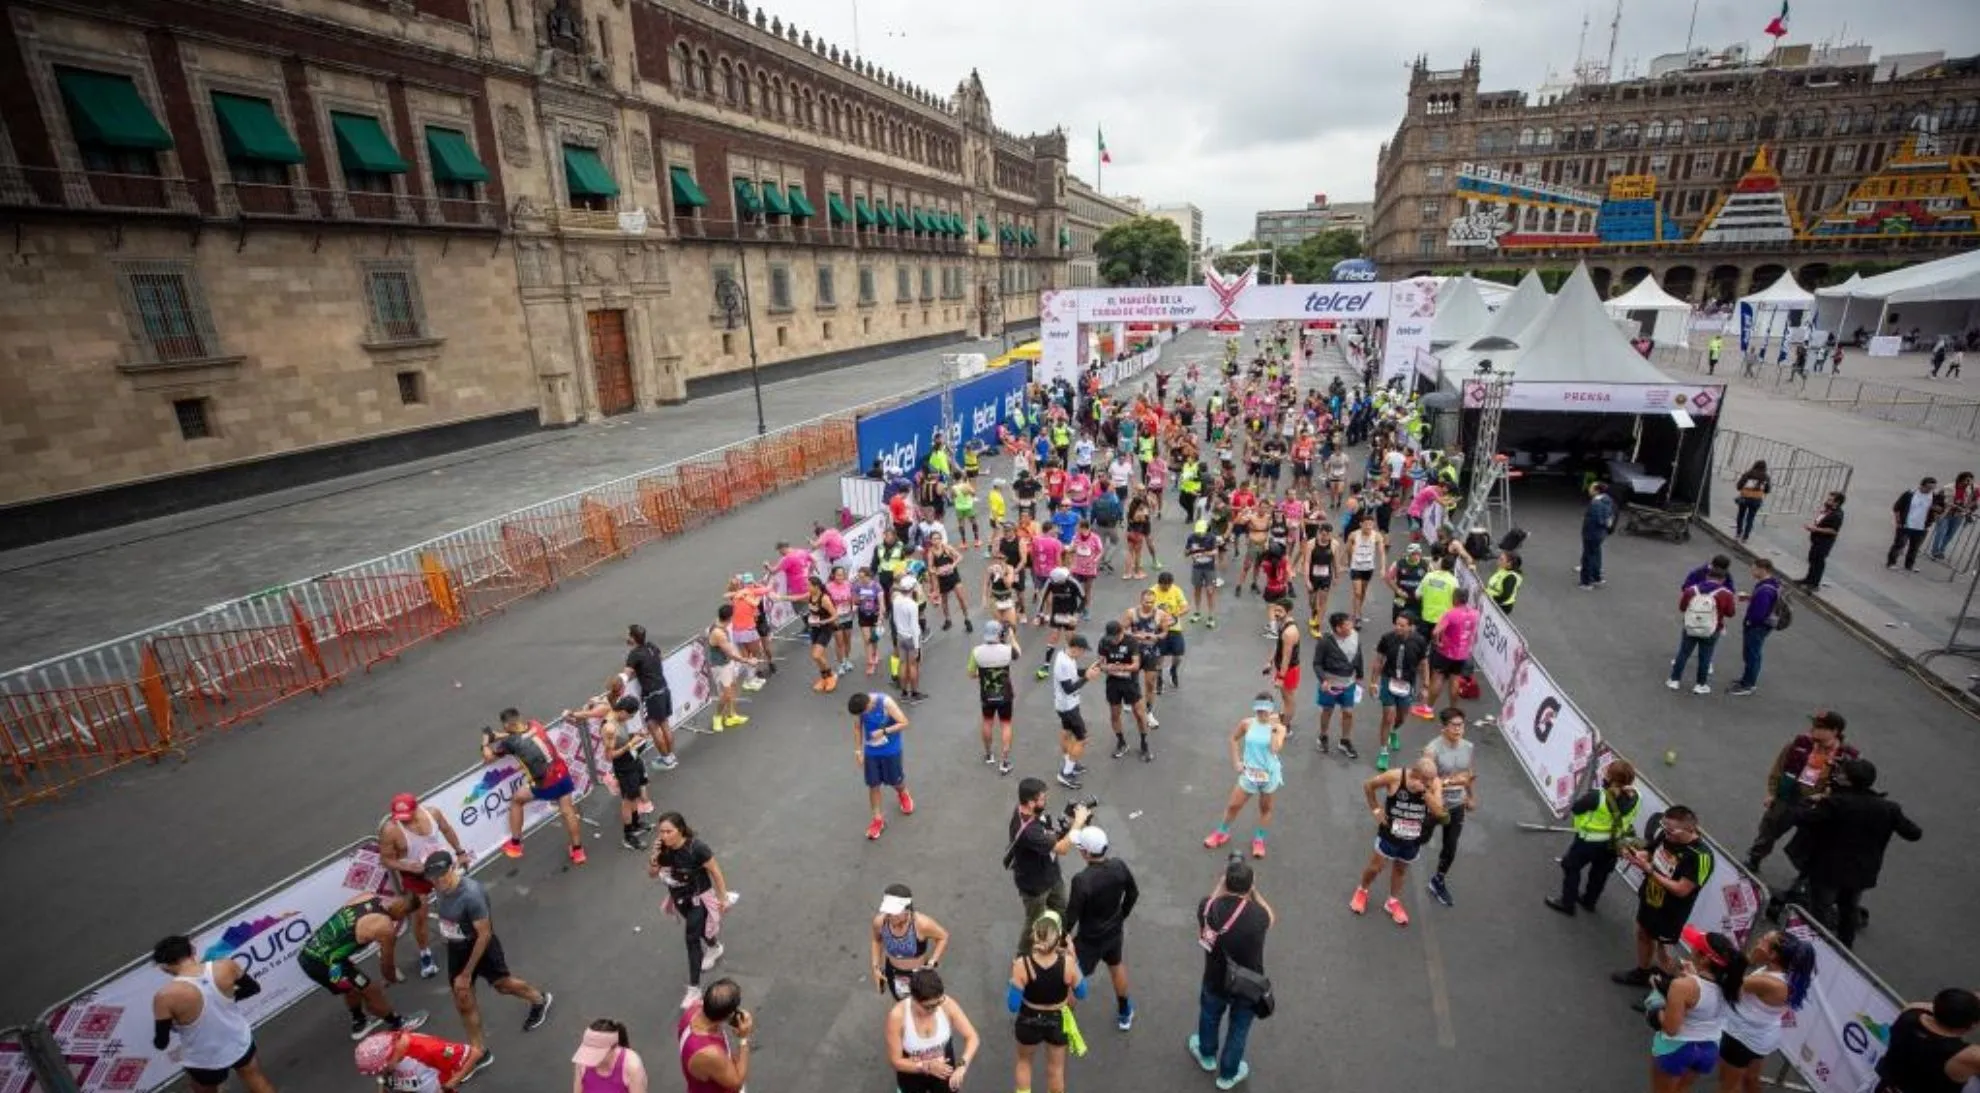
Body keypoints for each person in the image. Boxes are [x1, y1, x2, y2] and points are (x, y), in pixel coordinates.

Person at [424, 850, 551, 1056]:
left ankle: (539, 1000)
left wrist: (466, 974)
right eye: (433, 880)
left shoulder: (471, 895)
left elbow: (484, 934)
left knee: (503, 985)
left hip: (481, 948)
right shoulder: (440, 888)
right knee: (463, 999)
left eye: (441, 877)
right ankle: (478, 1052)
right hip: (457, 948)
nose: (438, 883)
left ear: (452, 869)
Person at [1792, 757, 1922, 947]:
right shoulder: (1889, 808)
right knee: (1849, 909)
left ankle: (1815, 945)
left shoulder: (1836, 803)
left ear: (1848, 779)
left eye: (1841, 773)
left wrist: (1808, 801)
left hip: (1828, 869)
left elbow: (1803, 818)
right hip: (1862, 871)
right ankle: (1845, 946)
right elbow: (1914, 833)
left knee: (1820, 909)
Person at [150, 934, 274, 1093]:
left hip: (204, 1059)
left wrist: (176, 1023)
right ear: (193, 951)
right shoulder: (226, 966)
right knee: (256, 1080)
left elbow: (161, 1043)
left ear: (164, 967)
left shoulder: (165, 997)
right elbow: (253, 988)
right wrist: (226, 999)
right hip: (239, 1041)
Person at [1191, 859, 1274, 1091]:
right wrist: (1254, 892)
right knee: (1238, 1029)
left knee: (1209, 1016)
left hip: (1215, 979)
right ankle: (1228, 1074)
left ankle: (1206, 1055)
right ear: (1250, 886)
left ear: (1225, 881)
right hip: (1247, 985)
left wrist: (1220, 887)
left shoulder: (1207, 908)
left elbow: (1208, 906)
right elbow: (1271, 916)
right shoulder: (1258, 915)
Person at [299, 894, 426, 1041]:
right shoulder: (385, 927)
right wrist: (390, 979)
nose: (399, 920)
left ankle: (359, 1022)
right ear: (403, 910)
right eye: (403, 915)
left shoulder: (367, 896)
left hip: (309, 954)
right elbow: (387, 966)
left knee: (350, 987)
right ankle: (398, 1024)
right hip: (326, 964)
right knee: (372, 990)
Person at [1613, 806, 1715, 985]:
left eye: (1671, 830)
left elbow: (1682, 890)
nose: (1666, 833)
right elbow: (1651, 851)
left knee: (1665, 953)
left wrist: (1650, 871)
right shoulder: (1666, 835)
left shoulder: (1700, 856)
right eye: (1664, 826)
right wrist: (1637, 856)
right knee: (1643, 933)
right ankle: (1642, 972)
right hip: (1650, 897)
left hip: (1671, 912)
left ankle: (1667, 992)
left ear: (1690, 829)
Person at [1745, 709, 1856, 872]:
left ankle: (1804, 878)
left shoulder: (1846, 757)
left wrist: (1828, 797)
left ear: (1835, 731)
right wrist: (1772, 792)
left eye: (1820, 727)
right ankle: (1755, 859)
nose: (1813, 729)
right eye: (1814, 725)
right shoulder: (1799, 744)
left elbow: (1850, 785)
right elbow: (1778, 768)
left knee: (1812, 843)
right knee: (1768, 830)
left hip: (1819, 805)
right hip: (1789, 796)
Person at [377, 792, 467, 980]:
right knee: (420, 916)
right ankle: (425, 953)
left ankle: (460, 934)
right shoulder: (391, 830)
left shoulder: (432, 813)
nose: (405, 822)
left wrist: (460, 852)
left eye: (408, 817)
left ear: (417, 808)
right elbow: (386, 859)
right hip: (415, 876)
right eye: (401, 818)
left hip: (439, 867)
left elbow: (447, 830)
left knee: (456, 902)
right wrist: (407, 866)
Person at [647, 812, 734, 1004]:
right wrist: (654, 858)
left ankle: (694, 989)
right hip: (680, 900)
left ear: (681, 830)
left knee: (691, 938)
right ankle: (714, 947)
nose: (664, 836)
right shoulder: (663, 849)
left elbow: (716, 872)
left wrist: (723, 897)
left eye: (669, 831)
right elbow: (652, 873)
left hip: (699, 899)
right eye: (661, 832)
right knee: (701, 929)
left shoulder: (697, 848)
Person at [1716, 930, 1817, 1093]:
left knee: (1728, 1086)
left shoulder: (1767, 982)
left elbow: (1731, 986)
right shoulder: (1787, 976)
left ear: (1774, 955)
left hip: (1740, 1038)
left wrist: (1749, 959)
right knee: (1751, 1079)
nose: (1758, 941)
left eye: (1763, 940)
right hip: (1760, 1037)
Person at [1645, 928, 1744, 1093]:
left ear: (1705, 959)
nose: (1692, 948)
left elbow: (1671, 1028)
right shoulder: (1733, 987)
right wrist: (1694, 975)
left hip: (1676, 1048)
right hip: (1708, 1050)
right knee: (1682, 1089)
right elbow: (1708, 992)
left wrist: (1656, 1001)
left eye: (1696, 946)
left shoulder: (1683, 986)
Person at [1351, 758, 1447, 926]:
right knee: (1376, 867)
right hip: (1390, 834)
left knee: (1401, 870)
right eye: (1426, 779)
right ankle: (1362, 890)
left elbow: (1440, 813)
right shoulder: (1395, 776)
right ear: (1414, 773)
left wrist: (1425, 792)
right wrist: (1376, 810)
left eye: (1432, 779)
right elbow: (1368, 785)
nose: (1430, 782)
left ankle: (1393, 901)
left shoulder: (1433, 784)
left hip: (1413, 837)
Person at [481, 709, 584, 864]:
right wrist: (499, 735)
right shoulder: (534, 723)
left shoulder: (509, 743)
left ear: (506, 725)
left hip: (545, 783)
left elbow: (489, 757)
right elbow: (519, 733)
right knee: (568, 811)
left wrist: (485, 742)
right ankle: (578, 851)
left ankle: (515, 845)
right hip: (563, 774)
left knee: (517, 800)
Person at [1065, 825, 1139, 1032]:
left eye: (1080, 848)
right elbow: (1133, 894)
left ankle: (1066, 1024)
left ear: (1087, 853)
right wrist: (1120, 916)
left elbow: (1071, 917)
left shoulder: (1082, 881)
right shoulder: (1119, 866)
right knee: (1116, 967)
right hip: (1113, 933)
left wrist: (1062, 939)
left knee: (1070, 982)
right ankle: (1125, 1012)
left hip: (1089, 940)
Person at [1546, 759, 1642, 916]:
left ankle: (1567, 903)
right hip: (1614, 843)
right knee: (1600, 873)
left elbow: (1576, 808)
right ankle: (1589, 901)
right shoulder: (1637, 796)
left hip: (1589, 841)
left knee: (1571, 866)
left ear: (1610, 777)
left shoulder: (1598, 797)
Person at [1006, 778, 1091, 954]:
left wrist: (1064, 826)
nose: (1046, 801)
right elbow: (1062, 848)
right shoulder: (1028, 832)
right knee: (1034, 921)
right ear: (1030, 803)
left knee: (1060, 909)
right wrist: (1078, 823)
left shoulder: (1030, 813)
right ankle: (1022, 955)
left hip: (1051, 874)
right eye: (1042, 799)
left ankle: (1058, 941)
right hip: (1034, 885)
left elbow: (1050, 836)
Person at [1008, 911, 1084, 1093]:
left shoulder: (1022, 965)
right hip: (1057, 1020)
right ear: (1058, 940)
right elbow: (1081, 992)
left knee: (1024, 1062)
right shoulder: (1068, 964)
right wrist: (1074, 959)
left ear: (1034, 937)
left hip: (1028, 1019)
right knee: (1055, 1069)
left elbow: (1012, 1005)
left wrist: (1013, 981)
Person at [1205, 695, 1288, 859]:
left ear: (1271, 709)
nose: (1262, 713)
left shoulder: (1279, 728)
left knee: (1265, 809)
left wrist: (1272, 728)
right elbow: (1233, 739)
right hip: (1249, 773)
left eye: (1265, 710)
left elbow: (1274, 749)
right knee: (1233, 805)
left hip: (1269, 775)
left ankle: (1259, 839)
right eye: (1259, 709)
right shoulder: (1247, 723)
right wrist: (1236, 761)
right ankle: (1222, 832)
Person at [886, 969, 980, 1093]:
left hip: (944, 1068)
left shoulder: (946, 1004)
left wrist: (962, 1065)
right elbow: (896, 1061)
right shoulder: (898, 1016)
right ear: (914, 999)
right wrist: (927, 1066)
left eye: (938, 1003)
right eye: (929, 1007)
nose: (935, 1010)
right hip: (913, 1072)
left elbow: (972, 1037)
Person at [1874, 988, 1980, 1092]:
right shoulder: (1966, 1056)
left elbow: (1940, 1007)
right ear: (1973, 1025)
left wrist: (1968, 1001)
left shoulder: (1910, 1013)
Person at [1421, 708, 1477, 908]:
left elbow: (1469, 773)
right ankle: (1399, 852)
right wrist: (1448, 782)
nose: (1458, 729)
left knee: (1451, 846)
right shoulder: (1432, 750)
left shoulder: (1468, 747)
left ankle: (1438, 880)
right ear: (1443, 727)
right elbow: (1426, 781)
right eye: (1454, 725)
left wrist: (1470, 796)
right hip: (1436, 805)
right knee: (1421, 838)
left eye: (1461, 725)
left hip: (1457, 805)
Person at [849, 690, 915, 841]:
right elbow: (857, 728)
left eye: (862, 713)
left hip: (891, 750)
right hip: (872, 752)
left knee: (895, 781)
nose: (861, 716)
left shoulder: (885, 702)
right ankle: (877, 820)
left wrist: (884, 731)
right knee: (873, 785)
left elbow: (904, 722)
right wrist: (858, 751)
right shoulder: (860, 709)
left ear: (867, 706)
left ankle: (903, 793)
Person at [870, 885, 951, 1000]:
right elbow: (876, 940)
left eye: (895, 913)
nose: (891, 917)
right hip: (893, 973)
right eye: (888, 912)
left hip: (918, 976)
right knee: (902, 1004)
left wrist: (933, 961)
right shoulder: (880, 922)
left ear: (907, 910)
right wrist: (876, 968)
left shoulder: (921, 924)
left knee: (924, 1006)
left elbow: (943, 937)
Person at [1369, 613, 1428, 765]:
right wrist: (1373, 682)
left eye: (1402, 625)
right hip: (1388, 679)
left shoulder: (1420, 641)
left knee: (1401, 717)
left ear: (1411, 627)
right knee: (1388, 716)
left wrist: (1425, 686)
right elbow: (1379, 660)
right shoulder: (1387, 638)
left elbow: (1423, 664)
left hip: (1407, 683)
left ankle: (1394, 731)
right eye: (1397, 624)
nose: (1398, 628)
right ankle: (1383, 752)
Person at [1669, 565, 1737, 695]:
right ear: (1723, 580)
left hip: (1691, 626)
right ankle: (1700, 685)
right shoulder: (1726, 594)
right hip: (1712, 629)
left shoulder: (1692, 590)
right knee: (1705, 657)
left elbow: (1682, 607)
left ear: (1707, 576)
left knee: (1683, 653)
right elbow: (1730, 613)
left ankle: (1674, 680)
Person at [352, 1028, 487, 1092]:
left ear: (390, 1055)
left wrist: (450, 1083)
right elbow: (383, 1078)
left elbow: (474, 1054)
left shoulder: (429, 1049)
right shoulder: (387, 1045)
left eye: (383, 1069)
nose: (381, 1073)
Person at [678, 979, 752, 1093]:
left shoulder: (692, 1012)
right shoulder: (711, 1053)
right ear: (728, 1015)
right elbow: (736, 1083)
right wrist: (743, 1038)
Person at [1050, 633, 1102, 790]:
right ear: (1076, 648)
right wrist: (1087, 677)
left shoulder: (1066, 656)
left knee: (1066, 732)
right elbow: (1068, 689)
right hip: (1068, 706)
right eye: (1083, 650)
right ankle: (1065, 773)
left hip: (1066, 705)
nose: (1083, 653)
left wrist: (1087, 670)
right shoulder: (1063, 663)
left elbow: (1073, 674)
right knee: (1082, 739)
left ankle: (1069, 763)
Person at [967, 619, 1020, 774]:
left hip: (986, 695)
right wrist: (1012, 638)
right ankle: (1004, 762)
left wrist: (983, 675)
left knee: (987, 722)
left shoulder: (976, 652)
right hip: (1005, 695)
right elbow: (1018, 653)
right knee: (1006, 724)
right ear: (999, 634)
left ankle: (989, 755)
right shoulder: (1006, 650)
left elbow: (971, 674)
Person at [1726, 559, 1785, 697]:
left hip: (1757, 627)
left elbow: (1759, 613)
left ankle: (1748, 684)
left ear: (1763, 569)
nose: (1752, 571)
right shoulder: (1771, 584)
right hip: (1763, 626)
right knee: (1753, 653)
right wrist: (1750, 598)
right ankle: (1746, 679)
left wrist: (1749, 623)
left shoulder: (1765, 590)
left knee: (1751, 654)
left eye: (1754, 569)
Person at [1097, 619, 1152, 762]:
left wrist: (1116, 667)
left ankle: (1144, 744)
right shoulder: (1104, 642)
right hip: (1113, 684)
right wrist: (1107, 667)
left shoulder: (1131, 642)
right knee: (1114, 715)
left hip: (1130, 683)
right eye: (1110, 638)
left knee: (1139, 714)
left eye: (1115, 637)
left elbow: (1135, 665)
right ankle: (1121, 743)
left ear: (1121, 632)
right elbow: (1101, 664)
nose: (1113, 641)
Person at [625, 624, 679, 769]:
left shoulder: (634, 655)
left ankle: (666, 760)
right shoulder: (652, 646)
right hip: (663, 689)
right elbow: (660, 658)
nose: (626, 637)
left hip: (651, 696)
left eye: (628, 634)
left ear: (632, 638)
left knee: (654, 728)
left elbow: (626, 675)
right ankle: (671, 756)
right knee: (665, 724)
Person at [1312, 611, 1364, 760]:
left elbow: (1358, 656)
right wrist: (1324, 680)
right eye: (1347, 624)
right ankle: (1323, 736)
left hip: (1349, 683)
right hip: (1330, 683)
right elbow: (1317, 664)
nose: (1351, 626)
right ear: (1338, 628)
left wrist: (1360, 676)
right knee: (1327, 710)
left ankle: (1345, 740)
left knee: (1348, 712)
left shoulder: (1354, 635)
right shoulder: (1325, 641)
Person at [1420, 586, 1478, 714]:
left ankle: (1428, 708)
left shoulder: (1451, 613)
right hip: (1462, 654)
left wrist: (1437, 643)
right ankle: (1453, 709)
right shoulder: (1475, 613)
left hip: (1446, 652)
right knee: (1455, 680)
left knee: (1438, 677)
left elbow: (1435, 632)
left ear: (1455, 598)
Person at [571, 1018, 647, 1093]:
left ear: (614, 1048)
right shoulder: (582, 1063)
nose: (590, 1058)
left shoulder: (632, 1066)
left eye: (596, 1053)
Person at [1887, 477, 1943, 572]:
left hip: (1922, 527)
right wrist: (1898, 522)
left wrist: (1936, 510)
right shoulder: (1910, 494)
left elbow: (1940, 509)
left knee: (1914, 548)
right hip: (1906, 525)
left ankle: (1909, 565)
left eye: (1932, 488)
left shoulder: (1935, 497)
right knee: (1899, 545)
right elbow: (1897, 507)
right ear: (1922, 486)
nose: (1930, 490)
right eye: (1928, 488)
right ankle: (1891, 563)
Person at [1150, 571, 1191, 691]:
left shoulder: (1176, 590)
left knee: (1178, 655)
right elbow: (1146, 608)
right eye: (1164, 586)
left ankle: (1173, 670)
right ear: (1159, 584)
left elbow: (1186, 607)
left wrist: (1175, 614)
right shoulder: (1152, 591)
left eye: (1168, 586)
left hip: (1174, 628)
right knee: (1159, 656)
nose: (1166, 588)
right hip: (1159, 628)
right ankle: (1159, 677)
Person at [1800, 492, 1845, 591]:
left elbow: (1833, 531)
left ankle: (1814, 584)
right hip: (1816, 539)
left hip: (1824, 542)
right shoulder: (1829, 510)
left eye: (1830, 500)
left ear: (1836, 503)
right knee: (1812, 559)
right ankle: (1808, 579)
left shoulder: (1837, 515)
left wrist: (1816, 529)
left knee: (1818, 562)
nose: (1827, 501)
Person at [1345, 512, 1385, 622]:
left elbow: (1381, 553)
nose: (1368, 527)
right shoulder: (1353, 535)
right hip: (1356, 566)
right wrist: (1344, 563)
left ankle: (1357, 610)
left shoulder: (1377, 536)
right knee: (1357, 592)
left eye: (1371, 524)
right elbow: (1347, 550)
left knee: (1363, 592)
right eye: (1366, 524)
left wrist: (1383, 568)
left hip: (1368, 567)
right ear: (1361, 524)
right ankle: (1356, 615)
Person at [1930, 470, 1977, 561]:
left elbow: (1974, 503)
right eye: (1967, 480)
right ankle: (1935, 551)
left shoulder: (1970, 490)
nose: (1969, 483)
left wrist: (1969, 511)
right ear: (1961, 479)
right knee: (1941, 532)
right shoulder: (1948, 487)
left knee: (1950, 534)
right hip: (1945, 514)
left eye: (1971, 480)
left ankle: (1941, 550)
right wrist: (1935, 513)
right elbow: (1937, 500)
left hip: (1958, 515)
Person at [1263, 600, 1300, 714]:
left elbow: (1286, 657)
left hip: (1288, 670)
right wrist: (1270, 662)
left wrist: (1281, 677)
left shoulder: (1289, 632)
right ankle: (1285, 719)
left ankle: (1286, 727)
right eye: (1275, 610)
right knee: (1285, 698)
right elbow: (1278, 645)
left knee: (1289, 700)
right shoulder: (1282, 623)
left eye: (1280, 611)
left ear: (1288, 612)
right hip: (1283, 669)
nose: (1276, 613)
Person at [1580, 482, 1617, 589]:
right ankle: (1597, 578)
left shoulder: (1596, 503)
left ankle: (1586, 582)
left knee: (1588, 557)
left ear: (1596, 490)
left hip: (1592, 533)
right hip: (1601, 533)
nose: (1589, 489)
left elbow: (1598, 520)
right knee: (1596, 554)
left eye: (1591, 488)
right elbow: (1610, 516)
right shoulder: (1608, 500)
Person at [1732, 461, 1771, 543]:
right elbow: (1767, 490)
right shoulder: (1766, 477)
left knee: (1741, 515)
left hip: (1745, 498)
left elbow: (1739, 486)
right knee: (1751, 518)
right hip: (1756, 500)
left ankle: (1738, 533)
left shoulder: (1748, 474)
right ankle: (1745, 537)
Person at [1486, 550, 1522, 615]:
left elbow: (1505, 596)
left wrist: (1491, 599)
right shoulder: (1503, 569)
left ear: (1509, 564)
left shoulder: (1511, 578)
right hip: (1492, 599)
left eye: (1501, 559)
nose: (1498, 560)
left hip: (1501, 606)